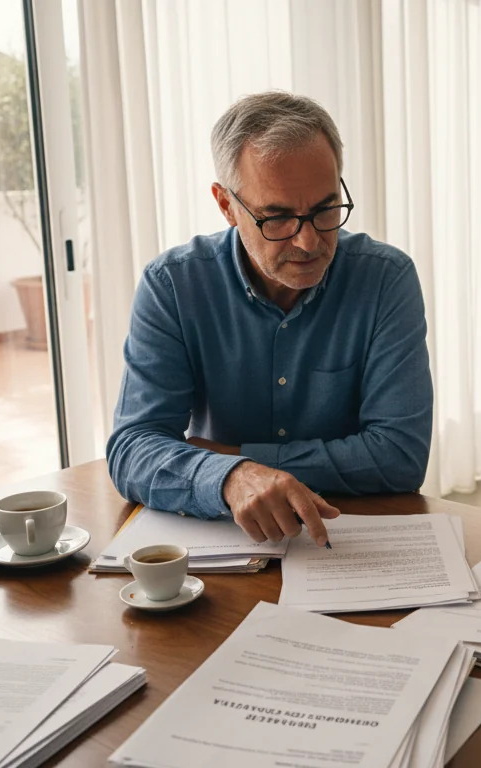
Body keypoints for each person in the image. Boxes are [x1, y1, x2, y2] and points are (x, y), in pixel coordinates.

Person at [108, 92, 432, 547]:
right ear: (226, 205)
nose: (308, 241)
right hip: (224, 544)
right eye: (277, 218)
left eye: (325, 209)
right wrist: (231, 479)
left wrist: (235, 458)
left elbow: (400, 457)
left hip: (349, 541)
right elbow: (132, 449)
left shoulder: (385, 279)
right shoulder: (173, 285)